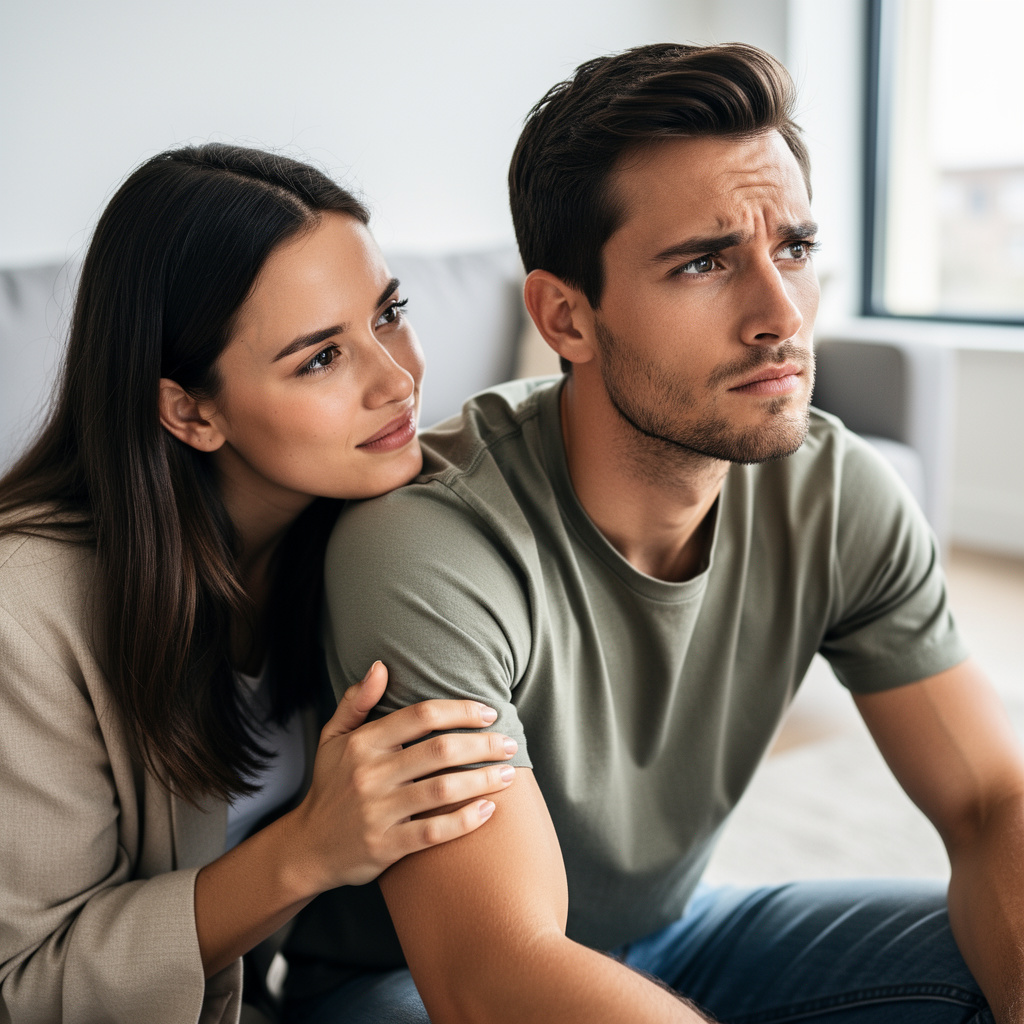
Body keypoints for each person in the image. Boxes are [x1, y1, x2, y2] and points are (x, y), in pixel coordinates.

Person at [312, 43, 1024, 1023]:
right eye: (703, 263)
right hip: (416, 988)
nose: (780, 315)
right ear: (565, 317)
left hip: (681, 935)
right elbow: (491, 971)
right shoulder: (430, 546)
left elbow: (991, 803)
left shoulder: (836, 490)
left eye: (794, 250)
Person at [0, 144, 520, 1023]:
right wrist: (309, 850)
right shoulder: (25, 611)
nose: (397, 380)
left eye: (390, 313)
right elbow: (24, 987)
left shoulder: (366, 530)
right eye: (320, 358)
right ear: (190, 411)